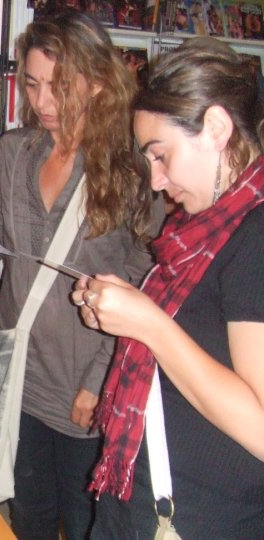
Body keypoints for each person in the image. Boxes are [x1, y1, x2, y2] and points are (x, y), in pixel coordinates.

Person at [0, 11, 159, 539]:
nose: (43, 102)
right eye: (34, 84)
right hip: (17, 372)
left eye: (59, 87)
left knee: (90, 525)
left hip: (85, 377)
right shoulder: (14, 152)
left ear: (99, 81)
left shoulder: (135, 168)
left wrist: (99, 380)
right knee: (27, 518)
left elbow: (146, 281)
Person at [73, 37, 264, 538]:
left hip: (199, 521)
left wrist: (150, 325)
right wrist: (124, 315)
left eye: (162, 155)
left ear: (217, 128)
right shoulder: (200, 232)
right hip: (141, 502)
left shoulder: (256, 236)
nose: (156, 181)